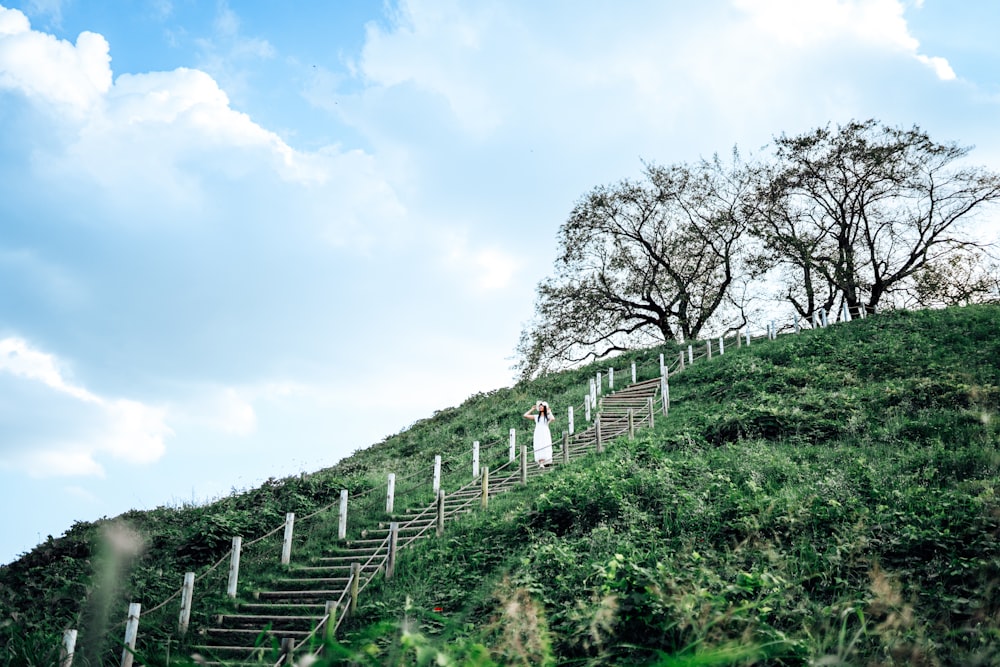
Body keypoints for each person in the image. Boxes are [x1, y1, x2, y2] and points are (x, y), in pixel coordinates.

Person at [523, 400, 555, 468]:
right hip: (538, 432)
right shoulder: (536, 416)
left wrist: (549, 412)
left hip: (545, 432)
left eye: (542, 406)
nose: (540, 408)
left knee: (545, 444)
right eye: (540, 407)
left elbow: (552, 418)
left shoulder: (547, 416)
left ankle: (545, 461)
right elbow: (525, 415)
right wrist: (532, 409)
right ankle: (541, 463)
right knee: (539, 445)